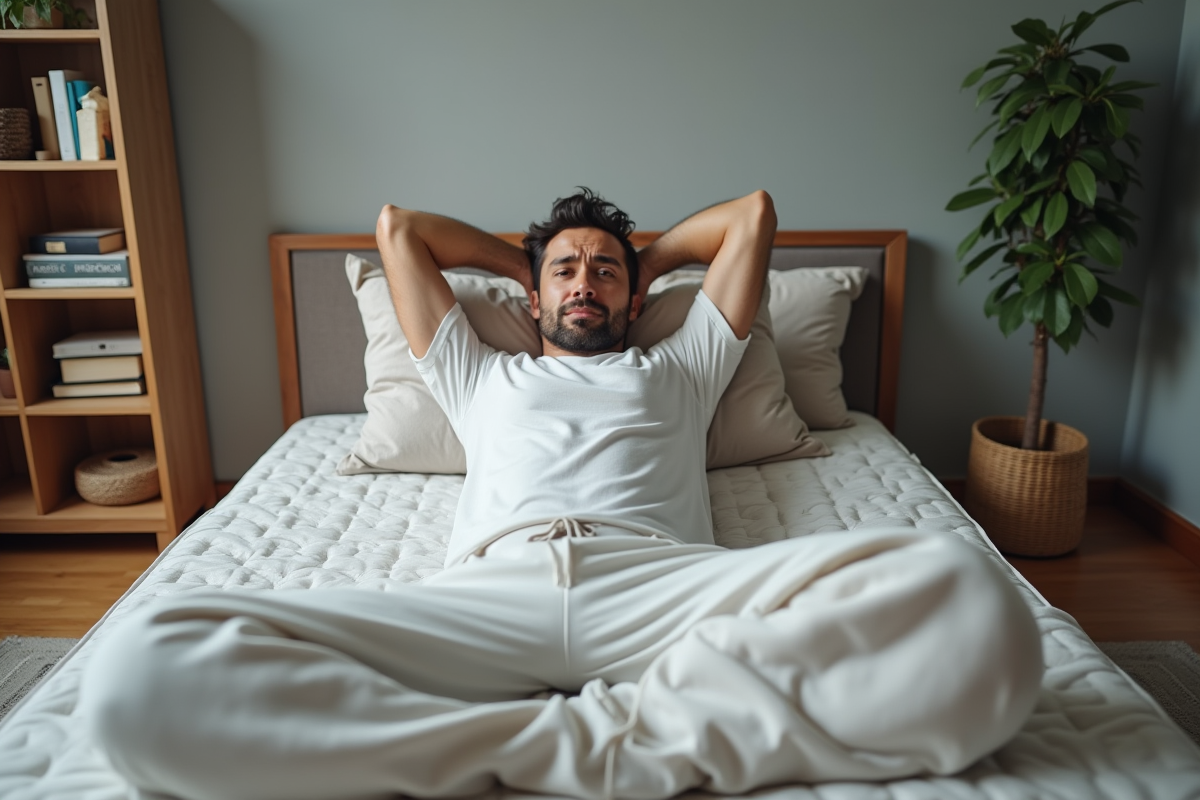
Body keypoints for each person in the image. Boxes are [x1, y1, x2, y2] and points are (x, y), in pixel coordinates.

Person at [80, 189, 1043, 800]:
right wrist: (526, 267)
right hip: (486, 591)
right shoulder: (475, 373)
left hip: (664, 584)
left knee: (975, 603)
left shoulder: (684, 364)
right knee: (138, 671)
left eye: (605, 273)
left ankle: (493, 750)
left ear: (634, 300)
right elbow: (399, 230)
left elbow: (750, 216)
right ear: (531, 299)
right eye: (566, 272)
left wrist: (644, 261)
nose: (586, 282)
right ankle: (638, 742)